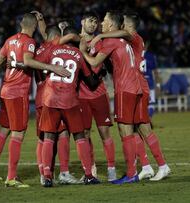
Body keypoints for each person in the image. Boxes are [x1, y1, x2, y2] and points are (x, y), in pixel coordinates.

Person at [81, 11, 170, 184]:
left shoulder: (117, 39)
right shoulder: (128, 40)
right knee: (140, 128)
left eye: (105, 21)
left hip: (127, 88)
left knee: (125, 130)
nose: (101, 23)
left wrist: (85, 49)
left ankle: (131, 172)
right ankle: (148, 166)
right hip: (138, 87)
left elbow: (93, 62)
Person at [0, 13, 70, 188]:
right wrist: (52, 67)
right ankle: (11, 177)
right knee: (18, 134)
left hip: (5, 90)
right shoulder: (30, 42)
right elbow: (28, 60)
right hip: (18, 93)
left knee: (4, 130)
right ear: (33, 27)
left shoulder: (10, 40)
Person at [38, 26, 101, 187]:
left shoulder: (52, 50)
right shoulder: (79, 55)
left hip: (50, 99)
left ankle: (47, 176)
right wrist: (101, 73)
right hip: (69, 100)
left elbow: (37, 64)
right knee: (79, 136)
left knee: (49, 136)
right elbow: (91, 82)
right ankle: (88, 174)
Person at [34, 22, 81, 185]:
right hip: (54, 96)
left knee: (43, 137)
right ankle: (63, 172)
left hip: (41, 96)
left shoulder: (40, 49)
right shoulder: (53, 49)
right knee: (62, 134)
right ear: (57, 37)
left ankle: (44, 173)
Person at [79, 11, 116, 182]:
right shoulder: (73, 40)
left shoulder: (102, 41)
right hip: (80, 95)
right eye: (90, 21)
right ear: (82, 22)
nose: (93, 24)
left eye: (96, 21)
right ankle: (90, 169)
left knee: (104, 132)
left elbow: (101, 64)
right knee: (84, 133)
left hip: (99, 93)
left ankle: (111, 168)